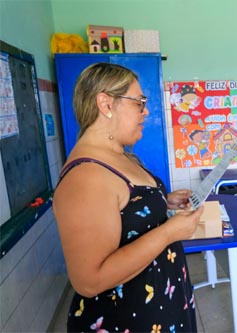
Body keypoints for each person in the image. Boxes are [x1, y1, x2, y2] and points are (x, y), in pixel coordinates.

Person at [53, 63, 204, 332]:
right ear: (106, 104)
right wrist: (170, 232)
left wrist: (162, 202)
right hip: (125, 321)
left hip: (158, 307)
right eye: (138, 102)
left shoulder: (118, 155)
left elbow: (121, 210)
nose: (145, 111)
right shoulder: (86, 176)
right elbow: (90, 280)